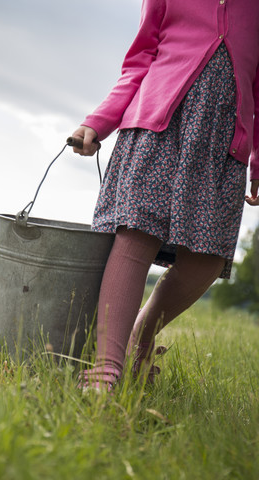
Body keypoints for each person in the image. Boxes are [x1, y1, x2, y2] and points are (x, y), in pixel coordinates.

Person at [71, 0, 259, 391]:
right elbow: (138, 63)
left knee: (208, 258)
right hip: (158, 128)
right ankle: (106, 368)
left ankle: (142, 334)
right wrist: (99, 121)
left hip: (222, 147)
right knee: (137, 235)